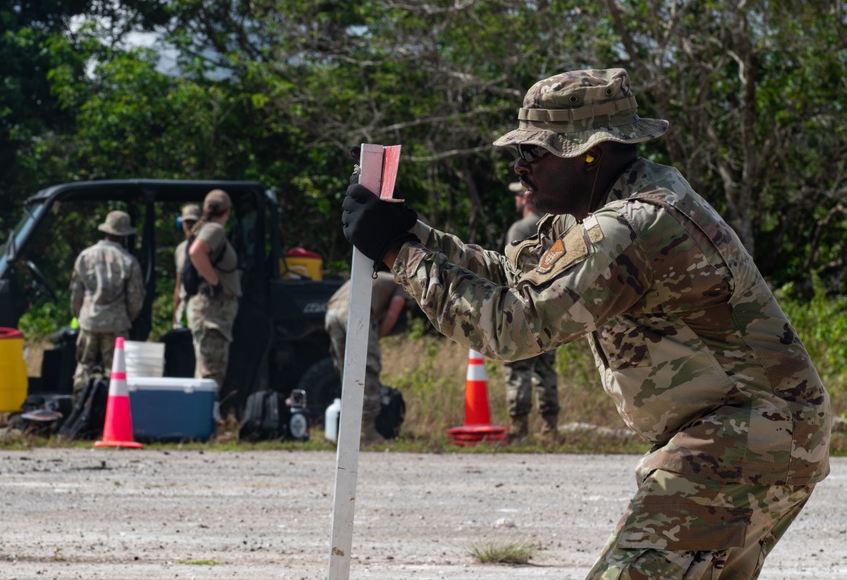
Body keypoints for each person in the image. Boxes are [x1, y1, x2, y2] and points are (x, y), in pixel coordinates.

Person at [341, 68, 831, 579]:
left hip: (749, 436)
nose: (520, 167)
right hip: (756, 434)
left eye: (534, 153)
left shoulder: (631, 225)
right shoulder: (606, 210)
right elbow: (514, 278)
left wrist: (399, 253)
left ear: (589, 151)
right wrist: (408, 233)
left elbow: (513, 325)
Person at [502, 182, 560, 441]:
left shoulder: (520, 228)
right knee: (545, 369)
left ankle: (519, 428)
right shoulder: (556, 226)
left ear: (525, 199)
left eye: (517, 195)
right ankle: (550, 428)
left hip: (523, 306)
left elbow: (510, 269)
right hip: (552, 307)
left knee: (518, 368)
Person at [69, 210, 146, 402]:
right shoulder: (129, 261)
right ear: (125, 235)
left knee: (84, 366)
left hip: (89, 321)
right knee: (115, 371)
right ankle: (110, 411)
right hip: (116, 324)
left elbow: (76, 294)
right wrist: (126, 317)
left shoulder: (85, 256)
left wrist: (80, 315)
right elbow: (136, 299)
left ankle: (78, 407)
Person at [324, 272, 409, 443]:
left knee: (347, 373)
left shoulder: (373, 275)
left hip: (332, 313)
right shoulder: (402, 283)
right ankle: (366, 432)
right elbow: (393, 314)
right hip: (354, 313)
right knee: (366, 370)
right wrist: (376, 337)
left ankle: (346, 432)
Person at [186, 189, 241, 388]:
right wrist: (215, 282)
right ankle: (205, 417)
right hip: (213, 311)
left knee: (207, 369)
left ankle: (204, 415)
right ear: (227, 211)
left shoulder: (206, 228)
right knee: (211, 372)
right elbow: (196, 252)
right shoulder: (214, 230)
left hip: (212, 311)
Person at [173, 203, 203, 328]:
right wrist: (175, 316)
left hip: (202, 305)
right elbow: (178, 285)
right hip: (185, 306)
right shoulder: (180, 249)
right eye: (187, 222)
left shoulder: (207, 246)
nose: (190, 225)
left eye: (194, 222)